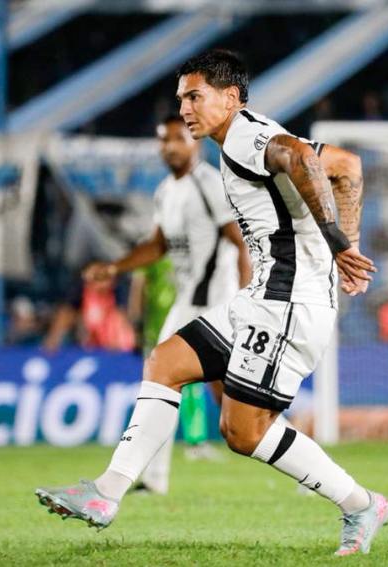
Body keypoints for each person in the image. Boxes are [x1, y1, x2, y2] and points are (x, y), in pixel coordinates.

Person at [36, 49, 388, 556]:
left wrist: (338, 243)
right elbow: (346, 165)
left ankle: (361, 503)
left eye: (194, 97)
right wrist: (346, 245)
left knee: (243, 433)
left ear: (230, 97)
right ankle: (105, 493)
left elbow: (301, 160)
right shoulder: (246, 136)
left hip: (288, 303)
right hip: (262, 297)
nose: (184, 109)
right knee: (165, 364)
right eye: (181, 99)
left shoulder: (245, 136)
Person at [80, 115, 251, 493]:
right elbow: (157, 245)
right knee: (180, 383)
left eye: (178, 138)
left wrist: (246, 300)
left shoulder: (210, 184)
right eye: (163, 140)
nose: (169, 146)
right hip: (187, 301)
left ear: (196, 143)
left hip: (216, 302)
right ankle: (154, 478)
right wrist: (115, 267)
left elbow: (239, 243)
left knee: (229, 399)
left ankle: (303, 461)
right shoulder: (165, 191)